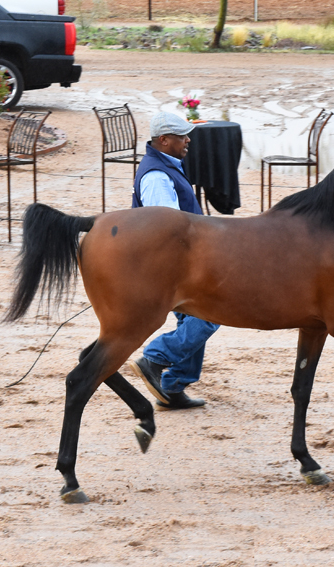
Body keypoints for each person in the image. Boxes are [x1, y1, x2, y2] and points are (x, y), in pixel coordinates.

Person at [127, 111, 220, 411]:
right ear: (164, 141)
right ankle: (155, 357)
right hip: (171, 265)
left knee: (193, 318)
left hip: (181, 261)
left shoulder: (166, 166)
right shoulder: (156, 176)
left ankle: (173, 388)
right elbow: (167, 230)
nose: (188, 140)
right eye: (182, 136)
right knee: (208, 315)